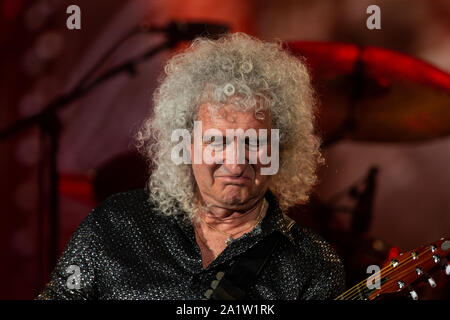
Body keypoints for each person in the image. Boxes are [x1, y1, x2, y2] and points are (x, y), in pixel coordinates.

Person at [37, 32, 345, 300]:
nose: (235, 161)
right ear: (185, 145)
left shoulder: (312, 264)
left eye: (253, 142)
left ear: (279, 149)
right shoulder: (116, 225)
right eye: (216, 142)